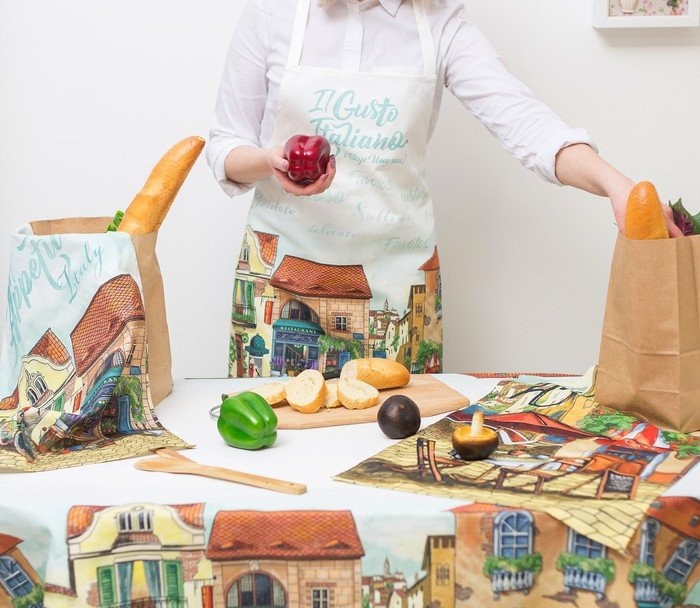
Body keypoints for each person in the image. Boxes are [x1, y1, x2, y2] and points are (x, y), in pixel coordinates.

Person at [206, 0, 681, 379]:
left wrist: (617, 186)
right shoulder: (272, 14)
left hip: (398, 294)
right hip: (279, 281)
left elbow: (526, 124)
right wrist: (269, 162)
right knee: (272, 443)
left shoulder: (439, 24)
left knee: (390, 451)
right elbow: (226, 145)